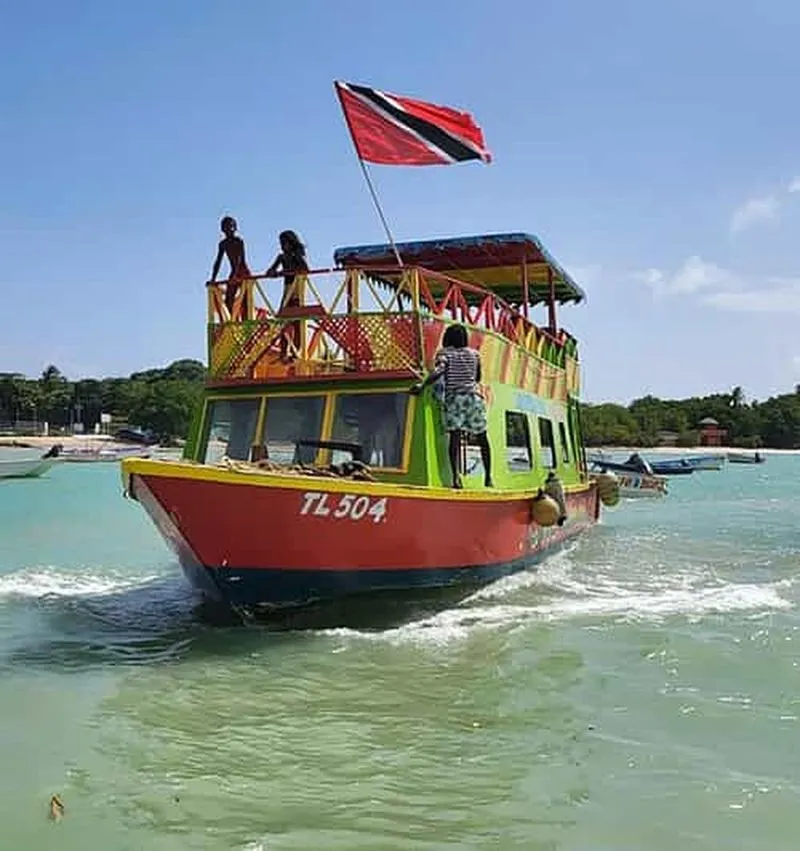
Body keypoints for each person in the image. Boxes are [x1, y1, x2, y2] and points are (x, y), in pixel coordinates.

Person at [410, 324, 493, 489]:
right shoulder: (474, 355)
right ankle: (488, 477)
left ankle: (455, 477)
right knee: (482, 436)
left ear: (447, 338)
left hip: (454, 399)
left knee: (454, 437)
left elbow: (439, 370)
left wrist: (422, 385)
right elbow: (477, 378)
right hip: (473, 398)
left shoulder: (445, 353)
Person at [266, 230, 309, 360]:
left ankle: (296, 352)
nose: (282, 246)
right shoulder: (282, 257)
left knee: (297, 322)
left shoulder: (297, 256)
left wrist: (288, 271)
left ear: (291, 243)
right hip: (287, 289)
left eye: (284, 243)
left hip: (296, 288)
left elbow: (306, 270)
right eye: (281, 243)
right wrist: (276, 272)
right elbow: (269, 271)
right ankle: (284, 351)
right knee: (283, 321)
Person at [209, 216, 252, 318]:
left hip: (243, 272)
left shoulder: (239, 241)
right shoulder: (223, 244)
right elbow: (218, 261)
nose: (229, 229)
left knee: (246, 299)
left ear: (235, 228)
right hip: (234, 271)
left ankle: (246, 320)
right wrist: (213, 278)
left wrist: (235, 275)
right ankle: (230, 320)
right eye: (226, 227)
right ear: (223, 229)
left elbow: (240, 259)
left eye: (231, 226)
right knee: (229, 298)